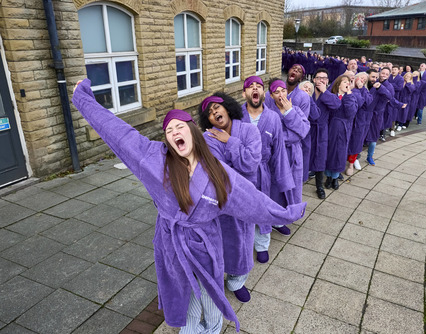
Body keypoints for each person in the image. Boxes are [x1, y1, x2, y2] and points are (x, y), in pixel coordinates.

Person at [72, 79, 306, 333]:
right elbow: (117, 132)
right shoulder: (154, 160)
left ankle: (214, 327)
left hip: (206, 244)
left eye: (179, 126)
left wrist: (285, 212)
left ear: (192, 131)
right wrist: (83, 98)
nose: (173, 132)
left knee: (211, 294)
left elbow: (251, 199)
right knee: (185, 295)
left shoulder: (216, 172)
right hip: (172, 243)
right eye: (168, 130)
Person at [198, 92, 262, 303]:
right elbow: (217, 171)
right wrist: (238, 159)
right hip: (221, 199)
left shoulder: (250, 131)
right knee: (222, 241)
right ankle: (217, 276)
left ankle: (237, 281)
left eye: (217, 107)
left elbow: (251, 163)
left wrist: (230, 141)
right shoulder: (207, 139)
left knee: (244, 242)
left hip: (246, 197)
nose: (214, 112)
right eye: (209, 112)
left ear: (227, 107)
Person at [240, 76, 294, 263]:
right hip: (242, 173)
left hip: (264, 172)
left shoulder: (273, 118)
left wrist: (282, 180)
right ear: (244, 93)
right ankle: (242, 246)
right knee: (243, 211)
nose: (255, 89)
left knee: (264, 209)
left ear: (263, 93)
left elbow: (279, 151)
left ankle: (262, 245)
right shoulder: (236, 116)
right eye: (250, 87)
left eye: (259, 86)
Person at [265, 79, 310, 208]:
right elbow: (269, 136)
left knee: (294, 186)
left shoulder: (295, 109)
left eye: (283, 91)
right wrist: (293, 136)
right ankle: (277, 219)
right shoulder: (268, 113)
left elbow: (304, 130)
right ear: (271, 94)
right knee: (276, 188)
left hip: (294, 154)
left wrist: (289, 112)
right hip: (277, 155)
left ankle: (290, 212)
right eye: (277, 92)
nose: (281, 95)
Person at [310, 68, 341, 199]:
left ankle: (319, 186)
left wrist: (324, 92)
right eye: (318, 77)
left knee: (320, 158)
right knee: (306, 155)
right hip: (308, 129)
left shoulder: (329, 94)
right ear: (313, 79)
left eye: (324, 78)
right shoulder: (308, 92)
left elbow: (336, 105)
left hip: (322, 130)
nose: (321, 80)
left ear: (327, 81)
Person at [324, 75, 357, 189]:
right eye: (344, 82)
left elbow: (351, 113)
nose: (347, 84)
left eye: (348, 82)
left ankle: (335, 177)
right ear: (338, 84)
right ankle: (328, 176)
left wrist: (348, 96)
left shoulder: (351, 97)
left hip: (343, 128)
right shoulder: (332, 96)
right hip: (331, 128)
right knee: (330, 151)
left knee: (340, 153)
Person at [283, 64, 311, 184]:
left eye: (299, 71)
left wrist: (282, 138)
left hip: (291, 145)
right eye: (293, 68)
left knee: (291, 183)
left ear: (300, 78)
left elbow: (302, 128)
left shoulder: (303, 97)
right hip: (273, 145)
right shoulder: (273, 93)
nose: (295, 70)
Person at [347, 72, 373, 175]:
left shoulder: (365, 91)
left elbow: (365, 102)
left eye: (364, 80)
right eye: (361, 78)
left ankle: (351, 163)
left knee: (356, 142)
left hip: (359, 121)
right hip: (347, 119)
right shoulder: (347, 85)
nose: (362, 80)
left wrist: (360, 89)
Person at [364, 69, 391, 166]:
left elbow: (390, 96)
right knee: (360, 136)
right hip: (365, 113)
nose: (384, 75)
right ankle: (355, 157)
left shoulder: (387, 86)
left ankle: (369, 156)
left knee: (373, 137)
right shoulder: (369, 84)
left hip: (377, 115)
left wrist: (380, 88)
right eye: (382, 73)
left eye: (386, 74)